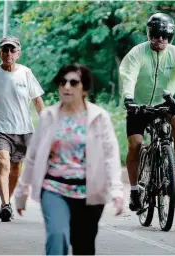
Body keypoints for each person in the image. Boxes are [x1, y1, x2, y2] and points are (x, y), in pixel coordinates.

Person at [14, 63, 124, 255]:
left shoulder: (100, 117)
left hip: (89, 192)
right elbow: (32, 156)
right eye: (62, 82)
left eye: (73, 82)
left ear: (85, 88)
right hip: (54, 189)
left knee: (83, 247)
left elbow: (111, 156)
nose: (66, 87)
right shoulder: (49, 116)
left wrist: (117, 190)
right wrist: (22, 190)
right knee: (57, 237)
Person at [119, 12, 175, 211]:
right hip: (138, 105)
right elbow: (128, 76)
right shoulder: (137, 53)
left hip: (164, 104)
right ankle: (134, 190)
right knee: (135, 145)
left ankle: (170, 160)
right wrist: (128, 99)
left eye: (165, 36)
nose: (161, 40)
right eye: (157, 35)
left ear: (171, 37)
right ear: (149, 35)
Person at [0, 36, 45, 222]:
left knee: (15, 168)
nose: (8, 53)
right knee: (4, 163)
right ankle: (6, 204)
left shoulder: (26, 73)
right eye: (5, 50)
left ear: (18, 53)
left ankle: (5, 202)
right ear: (0, 52)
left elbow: (37, 100)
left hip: (23, 129)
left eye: (12, 50)